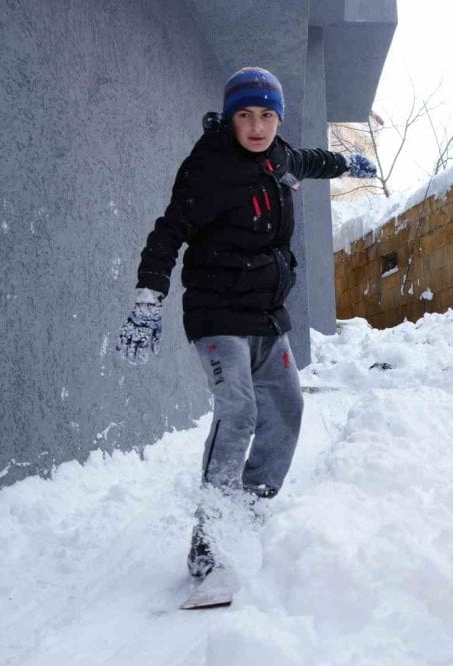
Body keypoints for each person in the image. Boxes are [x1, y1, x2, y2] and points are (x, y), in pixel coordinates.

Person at [116, 67, 377, 578]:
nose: (257, 126)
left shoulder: (279, 156)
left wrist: (348, 161)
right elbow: (168, 233)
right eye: (245, 115)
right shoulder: (208, 168)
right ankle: (210, 536)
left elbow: (311, 159)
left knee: (286, 408)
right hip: (216, 314)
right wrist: (149, 300)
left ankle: (249, 507)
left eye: (267, 115)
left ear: (277, 119)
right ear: (231, 117)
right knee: (238, 410)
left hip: (265, 315)